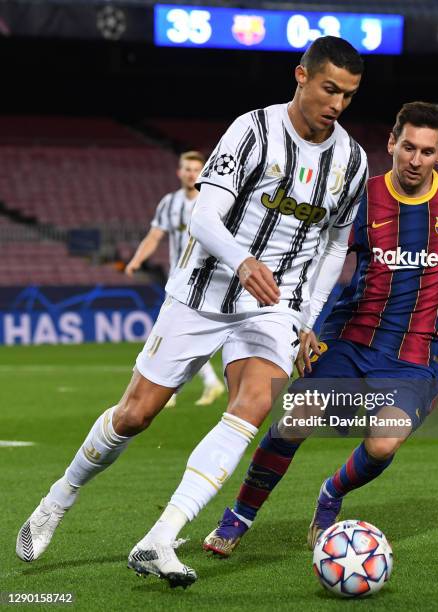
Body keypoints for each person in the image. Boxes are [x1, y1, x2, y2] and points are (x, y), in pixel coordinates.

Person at [15, 35, 368, 589]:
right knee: (135, 415)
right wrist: (243, 260)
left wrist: (306, 319)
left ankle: (160, 537)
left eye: (348, 95)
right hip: (203, 291)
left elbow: (332, 245)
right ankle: (58, 498)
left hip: (275, 304)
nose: (338, 105)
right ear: (300, 76)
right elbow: (204, 216)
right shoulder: (252, 131)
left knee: (253, 405)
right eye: (330, 89)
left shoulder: (351, 159)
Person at [203, 101, 438, 557]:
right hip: (350, 338)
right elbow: (320, 260)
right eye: (408, 148)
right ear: (392, 144)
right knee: (295, 420)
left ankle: (331, 494)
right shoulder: (362, 198)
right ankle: (238, 516)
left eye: (427, 152)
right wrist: (307, 323)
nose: (415, 160)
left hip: (414, 353)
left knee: (382, 443)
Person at [125, 151, 225, 407]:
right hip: (178, 278)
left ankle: (170, 386)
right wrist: (137, 260)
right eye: (187, 169)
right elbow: (154, 236)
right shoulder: (169, 203)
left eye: (196, 169)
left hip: (206, 278)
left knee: (178, 331)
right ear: (179, 172)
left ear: (203, 173)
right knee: (176, 332)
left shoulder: (213, 202)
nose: (192, 173)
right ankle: (196, 384)